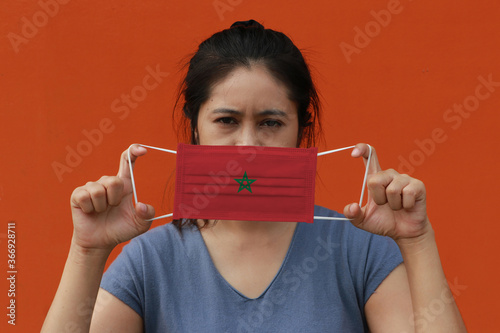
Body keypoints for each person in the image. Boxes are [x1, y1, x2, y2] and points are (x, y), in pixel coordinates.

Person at [42, 20, 467, 332]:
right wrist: (86, 252)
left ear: (302, 127)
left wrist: (417, 240)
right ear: (195, 127)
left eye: (270, 123)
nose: (247, 145)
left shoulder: (359, 252)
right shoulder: (149, 261)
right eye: (226, 120)